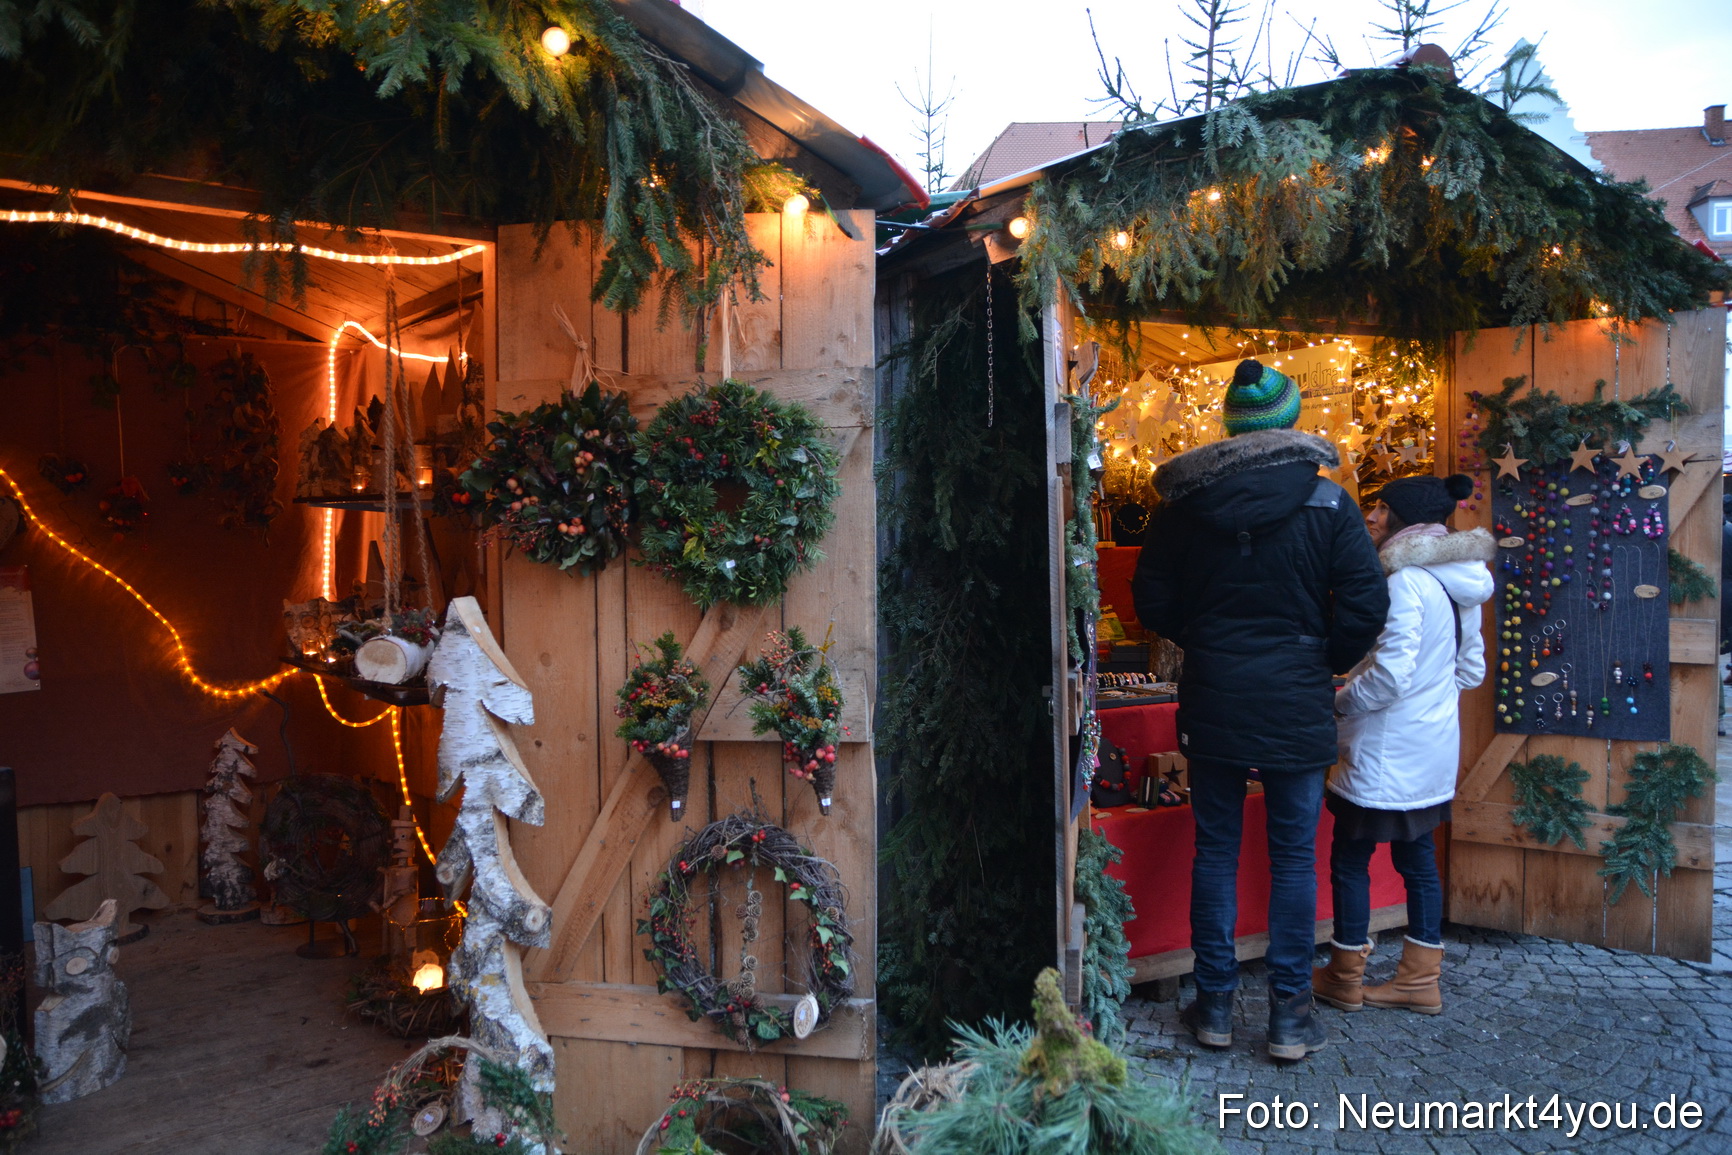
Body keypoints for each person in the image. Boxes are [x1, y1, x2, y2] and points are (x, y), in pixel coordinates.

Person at [1133, 359, 1388, 1061]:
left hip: (1215, 694)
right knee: (1291, 859)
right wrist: (1324, 655)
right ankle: (1287, 1017)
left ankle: (1213, 1005)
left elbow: (1150, 601)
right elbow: (1368, 604)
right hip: (1296, 698)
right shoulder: (1329, 505)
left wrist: (1209, 640)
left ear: (1231, 426)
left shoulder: (1182, 508)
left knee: (1214, 850)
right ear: (1289, 422)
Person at [1312, 474, 1493, 1016]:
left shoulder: (1405, 581)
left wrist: (1339, 705)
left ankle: (1345, 977)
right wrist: (1430, 703)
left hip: (1386, 749)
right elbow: (1471, 670)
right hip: (1434, 745)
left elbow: (1388, 678)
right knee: (1418, 861)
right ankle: (1419, 980)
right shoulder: (1462, 580)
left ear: (1404, 520)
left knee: (1349, 858)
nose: (1370, 516)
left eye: (1381, 508)